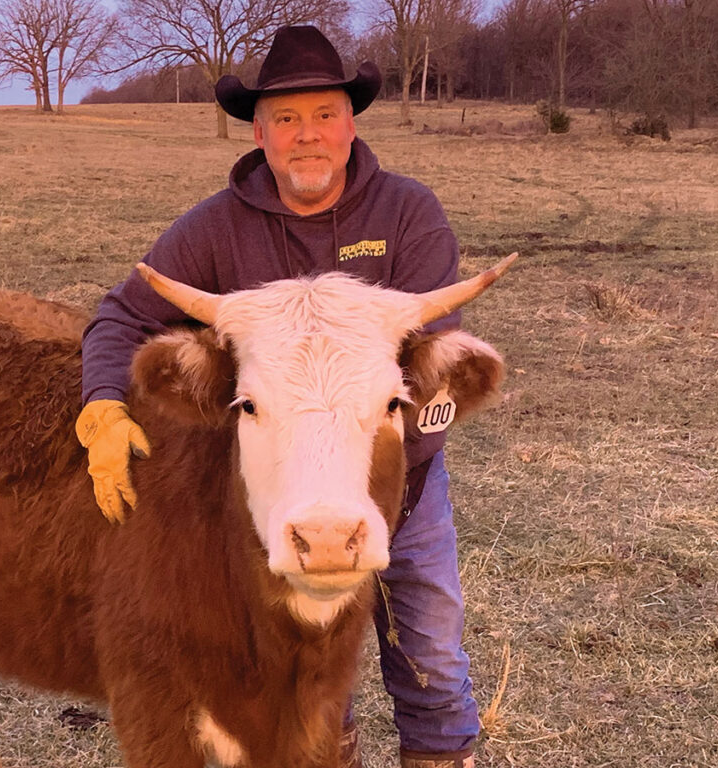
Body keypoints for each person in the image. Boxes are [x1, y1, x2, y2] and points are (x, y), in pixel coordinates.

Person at [76, 25, 478, 768]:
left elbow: (427, 371)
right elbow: (122, 315)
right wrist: (101, 403)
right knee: (309, 667)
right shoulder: (214, 228)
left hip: (399, 481)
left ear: (350, 123)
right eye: (286, 119)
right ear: (259, 131)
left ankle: (443, 754)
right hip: (281, 484)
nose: (307, 137)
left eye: (324, 115)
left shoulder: (407, 215)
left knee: (432, 648)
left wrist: (379, 481)